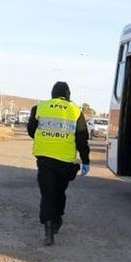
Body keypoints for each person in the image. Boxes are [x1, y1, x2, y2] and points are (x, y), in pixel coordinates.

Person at [27, 81, 90, 246]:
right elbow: (82, 139)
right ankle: (55, 221)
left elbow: (31, 131)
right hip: (65, 161)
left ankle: (49, 229)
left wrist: (47, 138)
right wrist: (86, 161)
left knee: (47, 193)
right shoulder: (76, 111)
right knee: (59, 192)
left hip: (45, 159)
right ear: (68, 94)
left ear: (52, 94)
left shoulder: (39, 108)